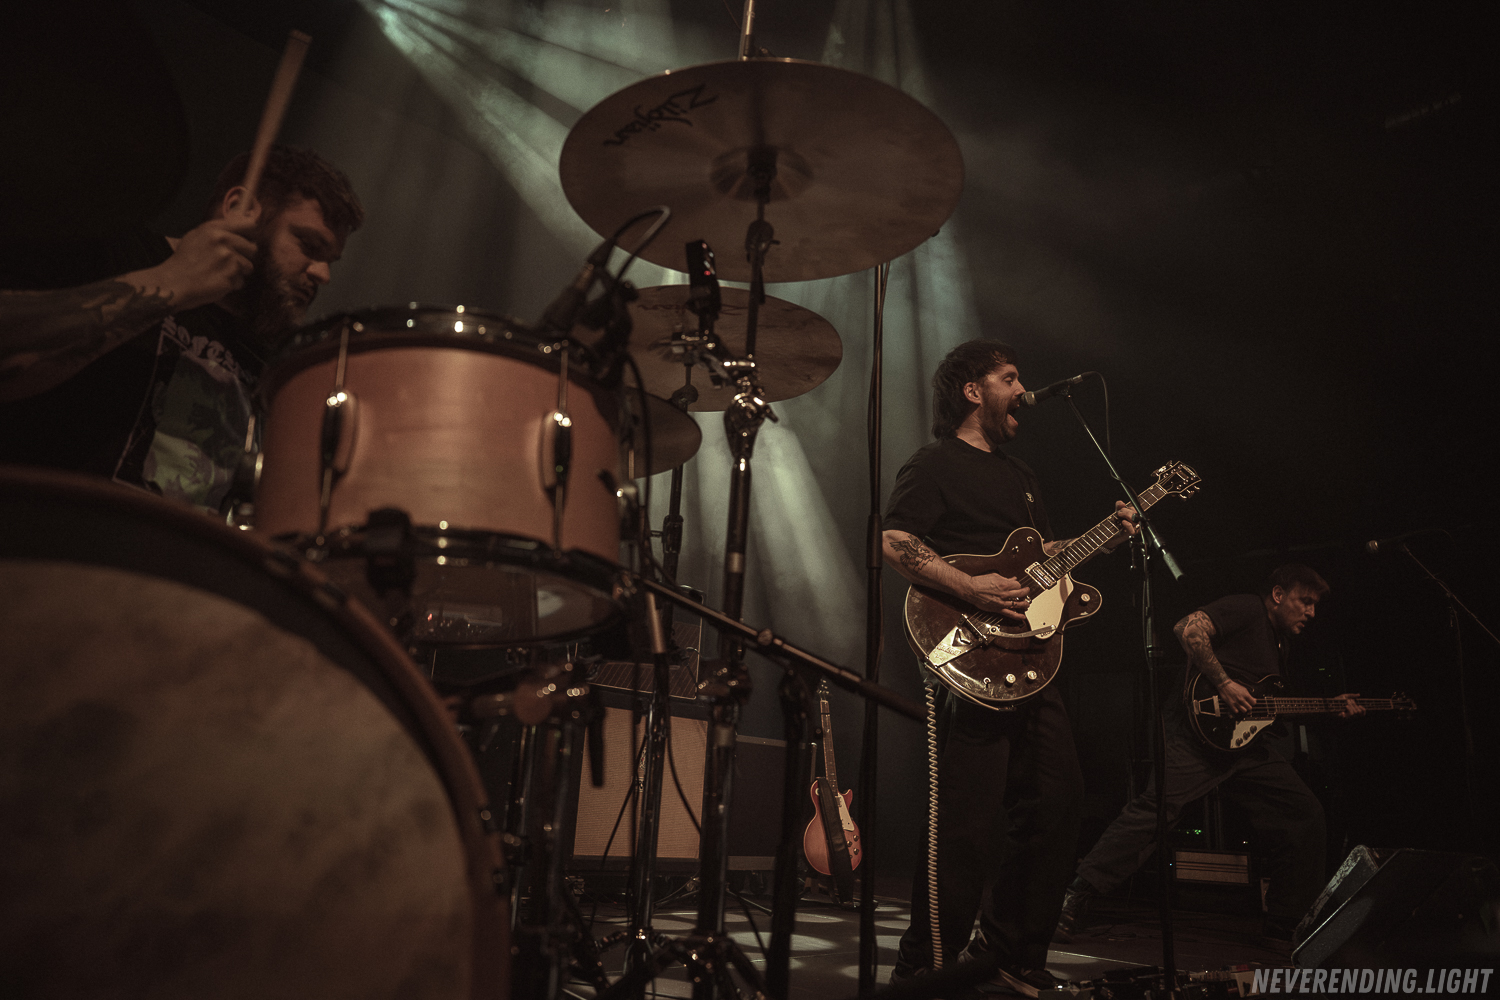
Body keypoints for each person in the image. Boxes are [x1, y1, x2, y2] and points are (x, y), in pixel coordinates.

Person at [882, 339, 1137, 998]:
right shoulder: (935, 462)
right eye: (1010, 378)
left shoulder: (1022, 474)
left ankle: (1011, 954)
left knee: (1058, 802)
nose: (1024, 390)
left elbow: (1038, 558)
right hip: (965, 654)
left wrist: (1103, 536)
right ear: (973, 391)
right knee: (965, 823)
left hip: (1029, 661)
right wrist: (972, 588)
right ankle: (926, 967)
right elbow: (897, 540)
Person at [0, 145, 363, 513]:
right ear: (238, 208)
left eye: (330, 260)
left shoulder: (266, 358)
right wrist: (171, 283)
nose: (322, 274)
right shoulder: (116, 253)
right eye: (309, 245)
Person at [1057, 563, 1363, 943]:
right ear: (1278, 594)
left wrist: (1329, 707)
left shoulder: (1280, 644)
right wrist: (1224, 683)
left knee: (1304, 814)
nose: (1311, 612)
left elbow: (1268, 708)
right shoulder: (1248, 608)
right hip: (1195, 736)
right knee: (1156, 811)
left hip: (1245, 748)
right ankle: (1075, 896)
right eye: (1305, 601)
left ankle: (1287, 922)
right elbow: (1187, 627)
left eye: (1315, 605)